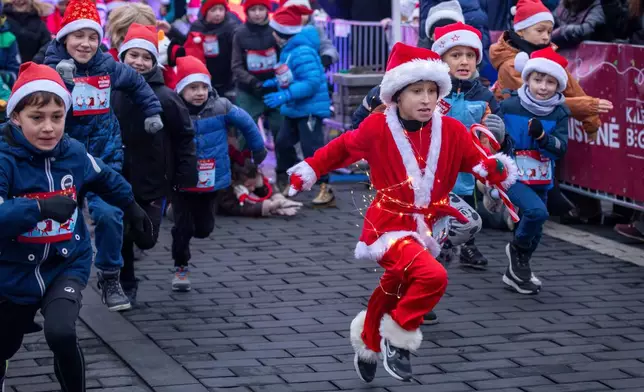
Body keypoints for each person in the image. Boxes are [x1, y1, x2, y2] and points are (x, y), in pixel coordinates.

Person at [286, 42, 517, 382]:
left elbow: (477, 163)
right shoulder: (376, 128)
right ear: (396, 94)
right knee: (433, 277)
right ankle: (399, 336)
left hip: (428, 224)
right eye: (417, 91)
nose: (426, 99)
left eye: (431, 91)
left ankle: (368, 340)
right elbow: (340, 149)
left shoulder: (451, 130)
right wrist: (308, 169)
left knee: (394, 286)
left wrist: (495, 170)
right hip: (389, 223)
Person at [0, 61, 151, 392]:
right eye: (36, 118)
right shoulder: (4, 157)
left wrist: (132, 207)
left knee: (62, 333)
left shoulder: (73, 151)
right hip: (11, 270)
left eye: (57, 117)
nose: (49, 128)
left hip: (65, 263)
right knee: (4, 344)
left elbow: (104, 177)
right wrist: (38, 207)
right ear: (15, 117)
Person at [44, 0, 163, 311]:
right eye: (78, 36)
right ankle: (49, 282)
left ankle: (111, 276)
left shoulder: (108, 66)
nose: (85, 44)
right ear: (64, 38)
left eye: (92, 37)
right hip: (63, 159)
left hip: (105, 156)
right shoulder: (49, 65)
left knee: (110, 216)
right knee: (60, 220)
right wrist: (59, 81)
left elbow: (137, 85)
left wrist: (152, 112)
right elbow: (30, 101)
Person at [113, 24, 198, 304]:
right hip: (117, 175)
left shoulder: (166, 97)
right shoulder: (111, 91)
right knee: (121, 231)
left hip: (153, 178)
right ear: (122, 56)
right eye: (132, 55)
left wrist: (186, 173)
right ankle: (126, 280)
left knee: (147, 238)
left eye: (145, 57)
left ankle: (133, 246)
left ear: (154, 61)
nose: (138, 62)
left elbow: (185, 136)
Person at [173, 55, 266, 292]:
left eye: (204, 86)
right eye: (193, 87)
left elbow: (246, 122)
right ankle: (181, 265)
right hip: (181, 179)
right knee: (183, 227)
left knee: (204, 228)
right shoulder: (173, 110)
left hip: (211, 178)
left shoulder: (221, 106)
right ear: (182, 89)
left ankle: (195, 226)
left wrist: (258, 148)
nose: (199, 92)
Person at [431, 22, 503, 269]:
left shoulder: (484, 95)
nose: (464, 61)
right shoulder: (433, 92)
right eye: (456, 55)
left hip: (468, 164)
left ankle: (468, 247)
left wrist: (497, 137)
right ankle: (433, 244)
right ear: (441, 59)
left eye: (470, 55)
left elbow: (492, 134)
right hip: (435, 162)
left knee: (468, 202)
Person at [500, 47, 570, 295]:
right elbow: (497, 139)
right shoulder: (509, 106)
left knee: (538, 226)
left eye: (550, 82)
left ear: (558, 85)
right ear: (527, 79)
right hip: (513, 175)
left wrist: (543, 138)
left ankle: (517, 268)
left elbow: (561, 148)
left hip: (541, 177)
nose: (543, 87)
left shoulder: (560, 113)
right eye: (538, 79)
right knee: (537, 212)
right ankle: (517, 251)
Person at [489, 0, 612, 138]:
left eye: (549, 31)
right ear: (521, 30)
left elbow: (573, 89)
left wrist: (591, 122)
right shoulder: (509, 65)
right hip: (515, 134)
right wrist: (588, 106)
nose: (546, 37)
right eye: (540, 30)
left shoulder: (548, 55)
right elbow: (537, 101)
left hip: (548, 133)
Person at [264, 5, 333, 206]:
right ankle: (296, 180)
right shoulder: (289, 51)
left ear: (282, 33)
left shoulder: (302, 51)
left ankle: (325, 187)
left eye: (275, 32)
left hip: (308, 109)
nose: (273, 36)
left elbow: (311, 83)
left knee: (312, 148)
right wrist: (275, 84)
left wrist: (284, 95)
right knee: (283, 143)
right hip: (295, 109)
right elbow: (291, 77)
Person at [232, 0, 282, 150]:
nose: (258, 13)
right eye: (253, 9)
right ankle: (244, 171)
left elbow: (283, 58)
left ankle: (283, 171)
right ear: (247, 12)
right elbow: (236, 65)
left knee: (281, 131)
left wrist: (278, 79)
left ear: (267, 10)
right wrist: (252, 81)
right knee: (246, 134)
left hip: (275, 89)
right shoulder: (240, 33)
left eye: (261, 9)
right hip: (248, 91)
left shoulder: (276, 31)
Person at [218, 152, 304, 217]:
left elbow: (264, 189)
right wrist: (270, 206)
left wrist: (278, 198)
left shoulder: (245, 178)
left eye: (254, 184)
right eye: (248, 186)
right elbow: (239, 208)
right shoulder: (224, 190)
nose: (252, 189)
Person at [188, 0, 240, 98]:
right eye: (213, 10)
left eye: (221, 9)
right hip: (203, 76)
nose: (218, 14)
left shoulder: (231, 27)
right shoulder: (196, 27)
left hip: (227, 78)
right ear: (205, 12)